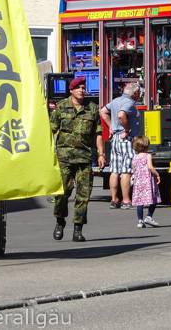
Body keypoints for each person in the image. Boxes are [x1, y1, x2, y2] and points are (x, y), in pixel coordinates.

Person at [50, 76, 106, 242]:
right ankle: (60, 221)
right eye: (78, 87)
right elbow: (51, 131)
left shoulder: (92, 108)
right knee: (62, 193)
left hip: (84, 157)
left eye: (83, 87)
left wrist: (101, 154)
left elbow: (98, 133)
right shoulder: (60, 108)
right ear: (71, 90)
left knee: (83, 195)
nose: (82, 90)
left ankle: (77, 229)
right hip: (64, 158)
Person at [100, 82, 142, 209]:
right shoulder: (129, 103)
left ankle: (114, 200)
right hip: (126, 139)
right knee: (126, 171)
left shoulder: (116, 100)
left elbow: (103, 111)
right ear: (134, 93)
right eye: (139, 93)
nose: (140, 95)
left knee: (115, 170)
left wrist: (111, 126)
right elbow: (121, 115)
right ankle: (126, 200)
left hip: (116, 139)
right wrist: (127, 129)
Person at [131, 135, 161, 228]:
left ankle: (140, 221)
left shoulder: (135, 157)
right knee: (153, 198)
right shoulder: (148, 156)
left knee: (140, 201)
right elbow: (150, 167)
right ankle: (149, 216)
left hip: (138, 182)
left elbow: (134, 169)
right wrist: (157, 174)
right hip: (148, 180)